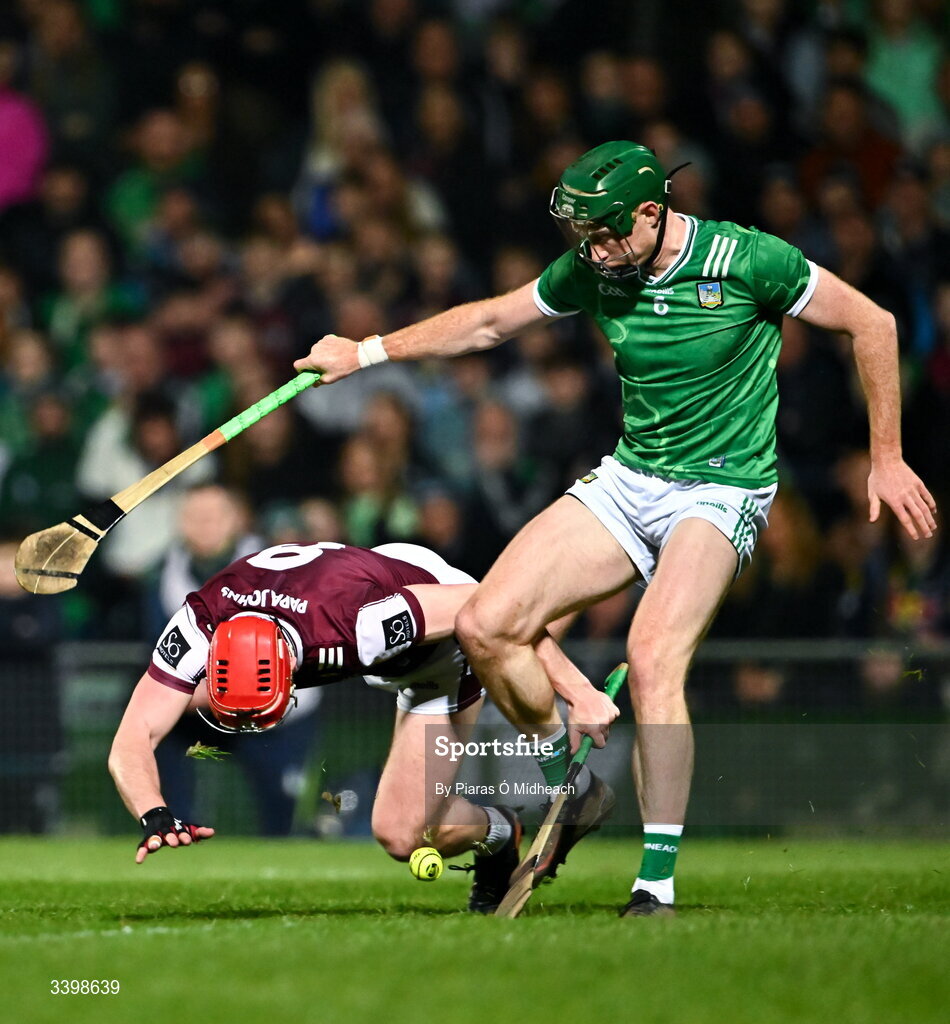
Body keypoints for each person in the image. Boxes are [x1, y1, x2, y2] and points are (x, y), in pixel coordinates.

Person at [294, 140, 937, 917]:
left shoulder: (748, 260)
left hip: (723, 489)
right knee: (484, 622)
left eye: (605, 235)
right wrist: (364, 353)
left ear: (650, 212)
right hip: (633, 479)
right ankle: (569, 777)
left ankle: (654, 885)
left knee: (652, 653)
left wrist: (888, 457)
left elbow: (874, 323)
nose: (594, 253)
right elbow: (495, 322)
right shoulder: (597, 269)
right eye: (584, 239)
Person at [108, 539, 617, 913]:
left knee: (402, 833)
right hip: (368, 629)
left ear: (290, 669)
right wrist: (153, 813)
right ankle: (502, 833)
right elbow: (133, 738)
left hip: (439, 646)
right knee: (404, 837)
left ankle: (523, 815)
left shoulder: (361, 623)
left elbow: (490, 610)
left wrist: (578, 693)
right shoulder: (199, 622)